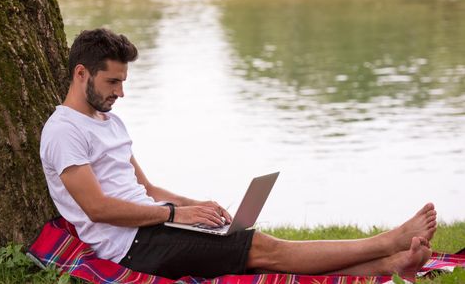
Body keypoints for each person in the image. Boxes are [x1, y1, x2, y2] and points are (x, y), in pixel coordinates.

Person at [40, 28, 437, 281]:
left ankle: (388, 266)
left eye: (123, 82)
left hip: (155, 224)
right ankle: (388, 243)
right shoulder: (63, 132)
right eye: (112, 81)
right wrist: (176, 215)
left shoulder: (110, 122)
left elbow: (143, 187)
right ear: (81, 74)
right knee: (267, 250)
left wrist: (198, 207)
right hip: (133, 246)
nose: (120, 93)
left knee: (258, 248)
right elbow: (98, 209)